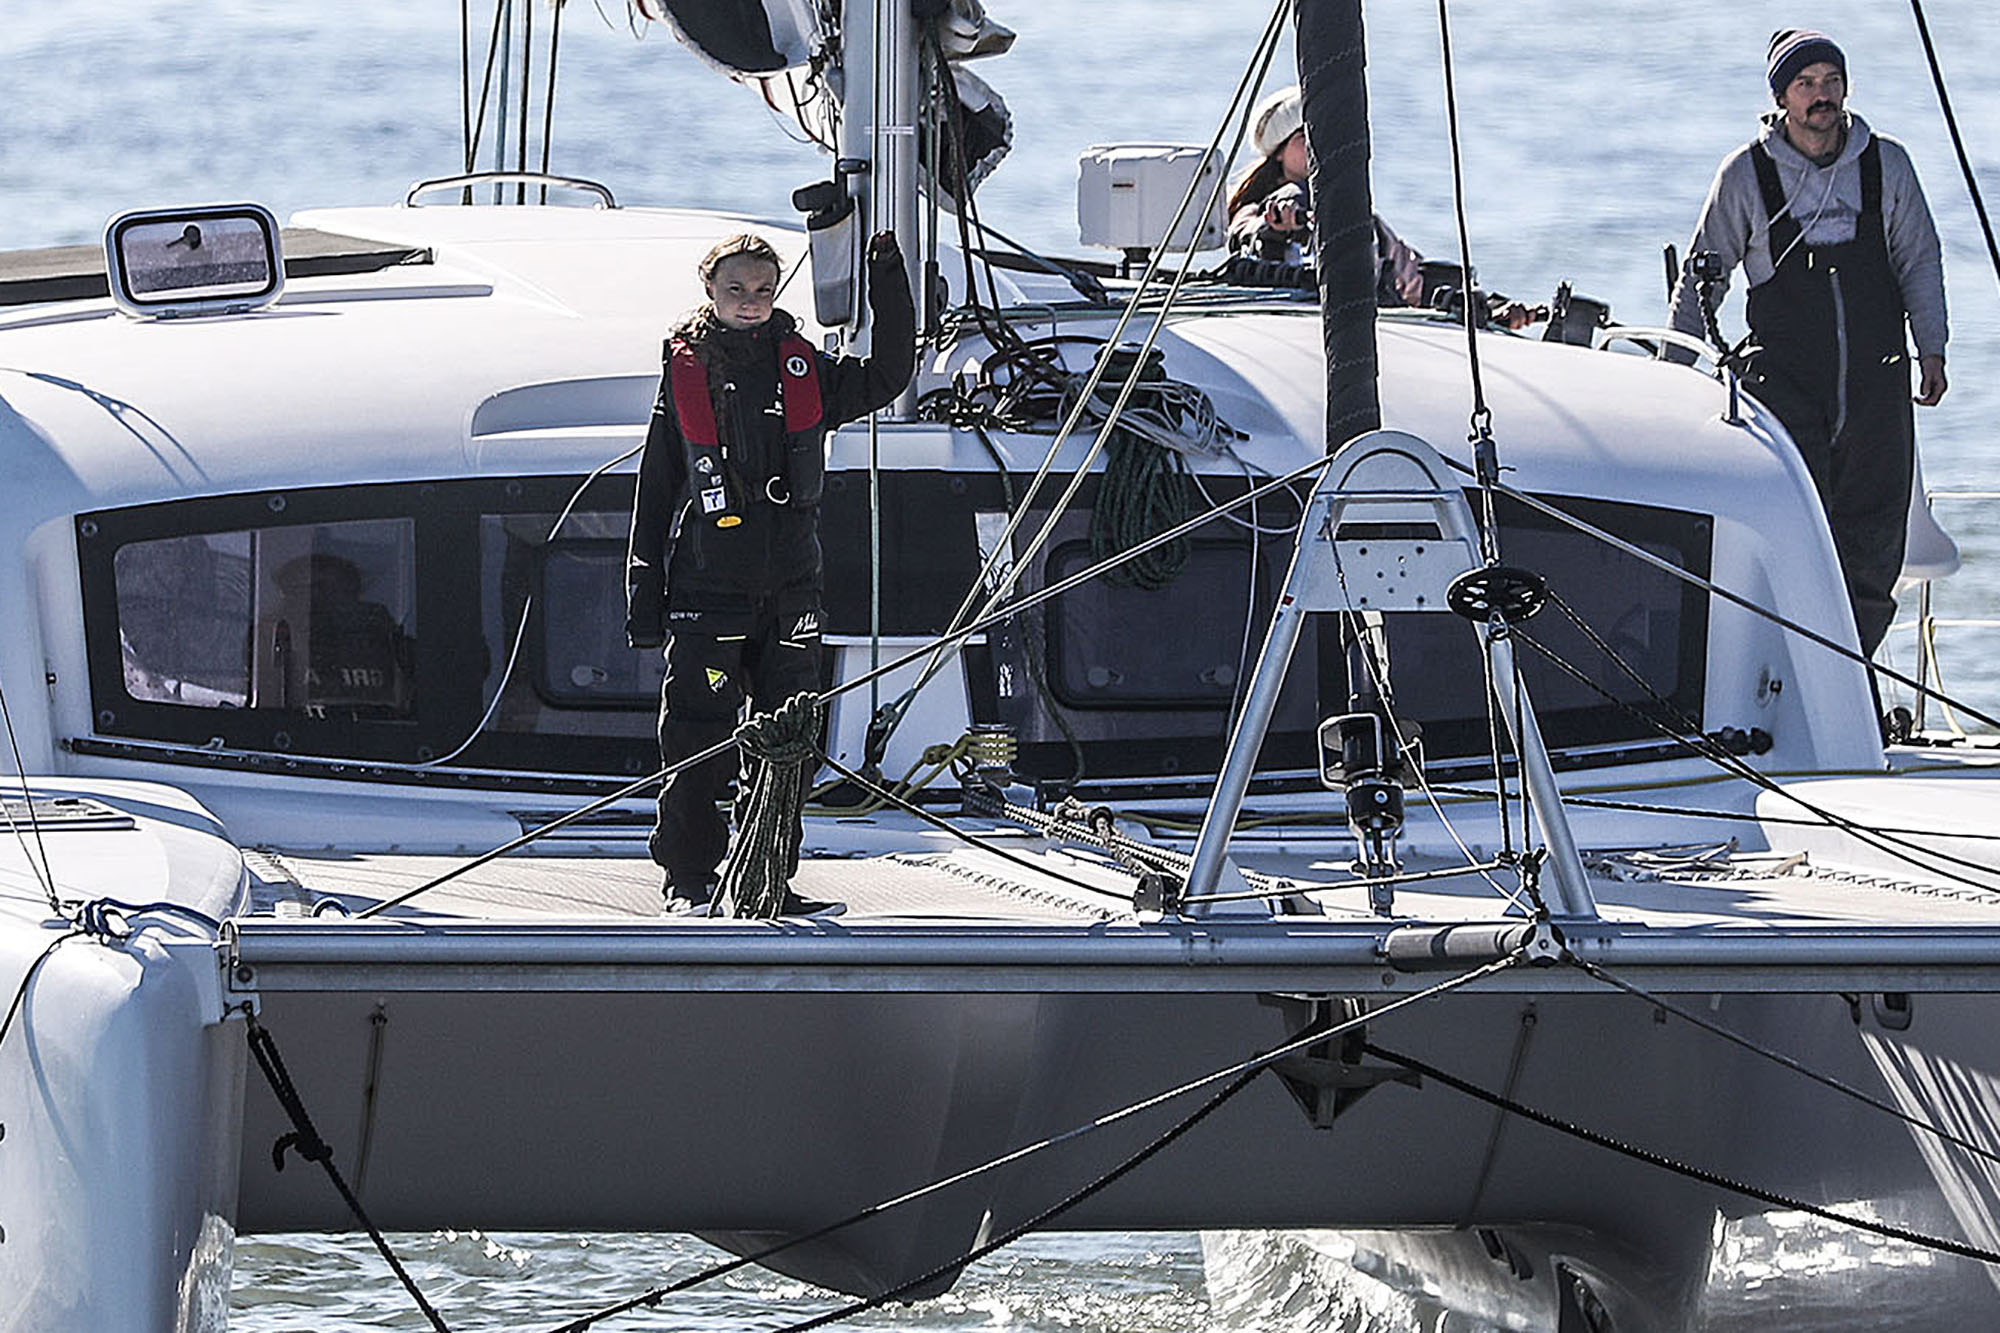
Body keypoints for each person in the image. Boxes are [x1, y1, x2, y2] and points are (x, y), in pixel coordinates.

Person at [626, 229, 916, 915]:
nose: (751, 303)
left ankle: (768, 879)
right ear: (711, 292)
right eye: (737, 291)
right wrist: (644, 584)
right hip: (709, 593)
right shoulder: (687, 371)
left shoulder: (805, 367)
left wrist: (888, 280)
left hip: (791, 594)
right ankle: (689, 877)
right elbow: (658, 483)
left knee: (788, 744)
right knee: (699, 735)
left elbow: (889, 374)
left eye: (763, 290)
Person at [1668, 29, 1948, 658]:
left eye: (1831, 81)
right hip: (1789, 388)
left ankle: (1855, 676)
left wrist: (1932, 347)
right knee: (1796, 538)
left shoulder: (1887, 164)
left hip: (1879, 384)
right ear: (1782, 97)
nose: (1822, 96)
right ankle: (1786, 676)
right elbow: (1702, 275)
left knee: (1875, 544)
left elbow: (1919, 260)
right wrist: (1673, 372)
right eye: (1806, 84)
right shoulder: (1746, 173)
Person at [1228, 85, 1536, 328]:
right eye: (1303, 136)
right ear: (1279, 152)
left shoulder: (1359, 221)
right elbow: (1245, 231)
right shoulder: (1255, 210)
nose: (1317, 143)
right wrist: (1276, 226)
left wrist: (1490, 306)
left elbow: (1413, 279)